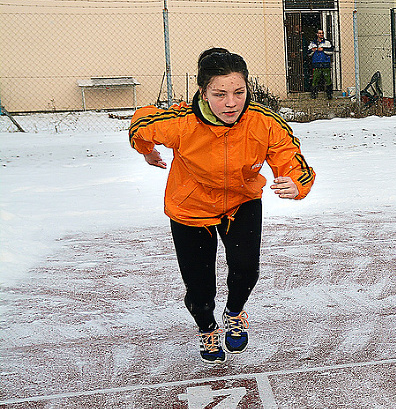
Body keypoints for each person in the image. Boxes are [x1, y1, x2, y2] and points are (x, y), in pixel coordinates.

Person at [129, 48, 315, 364]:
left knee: (245, 270)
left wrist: (297, 182)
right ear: (203, 92)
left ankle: (235, 311)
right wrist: (146, 150)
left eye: (239, 92)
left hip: (241, 201)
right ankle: (207, 327)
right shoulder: (180, 122)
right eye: (220, 94)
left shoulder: (263, 122)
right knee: (200, 289)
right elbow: (140, 124)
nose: (231, 102)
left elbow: (289, 155)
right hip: (191, 208)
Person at [307, 29, 334, 99]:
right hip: (316, 64)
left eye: (322, 33)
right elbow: (308, 53)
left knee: (328, 79)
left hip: (325, 63)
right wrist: (313, 50)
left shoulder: (327, 43)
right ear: (317, 34)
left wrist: (323, 49)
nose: (321, 34)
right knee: (315, 79)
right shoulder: (312, 43)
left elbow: (331, 51)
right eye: (319, 33)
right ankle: (313, 94)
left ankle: (329, 94)